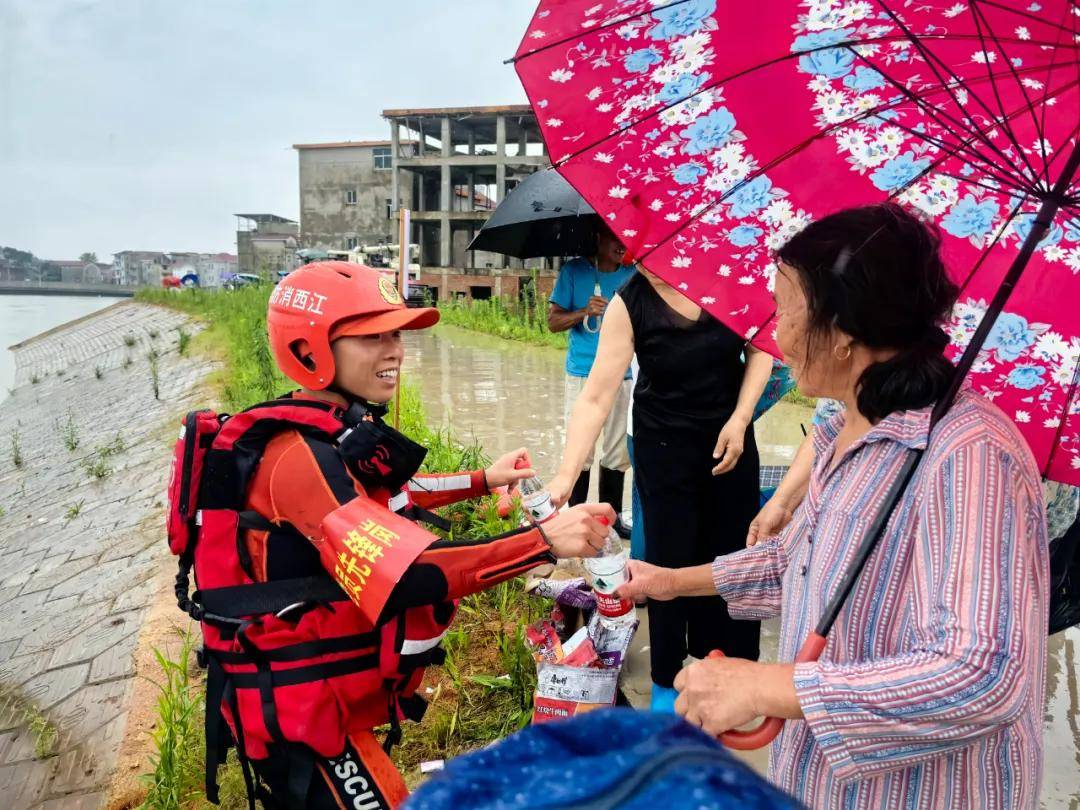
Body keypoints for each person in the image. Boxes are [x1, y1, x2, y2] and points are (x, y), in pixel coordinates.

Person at [616, 204, 1049, 809]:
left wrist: (769, 685)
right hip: (820, 781)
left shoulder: (970, 454)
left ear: (843, 330)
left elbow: (982, 676)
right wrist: (669, 581)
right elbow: (793, 563)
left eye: (785, 308)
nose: (776, 332)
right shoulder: (842, 430)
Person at [180, 262, 614, 809]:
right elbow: (405, 575)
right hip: (301, 715)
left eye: (397, 334)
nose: (396, 351)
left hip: (328, 699)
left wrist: (484, 479)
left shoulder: (332, 430)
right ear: (310, 348)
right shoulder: (297, 458)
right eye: (372, 337)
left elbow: (395, 495)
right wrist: (543, 541)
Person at [547, 265, 773, 712]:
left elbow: (763, 349)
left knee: (733, 556)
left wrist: (742, 415)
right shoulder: (629, 303)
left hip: (730, 444)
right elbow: (596, 397)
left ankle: (732, 671)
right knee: (665, 562)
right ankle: (667, 683)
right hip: (662, 449)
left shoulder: (729, 279)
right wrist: (565, 476)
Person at [547, 223, 635, 527]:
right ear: (598, 237)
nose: (622, 243)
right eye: (616, 237)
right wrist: (584, 311)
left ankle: (610, 521)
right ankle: (577, 518)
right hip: (583, 373)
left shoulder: (632, 276)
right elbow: (553, 322)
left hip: (623, 377)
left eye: (626, 237)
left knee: (617, 451)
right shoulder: (574, 272)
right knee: (580, 449)